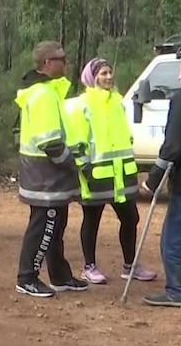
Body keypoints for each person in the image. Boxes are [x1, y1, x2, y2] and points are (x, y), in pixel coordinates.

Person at [65, 58, 156, 285]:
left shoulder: (118, 102)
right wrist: (83, 167)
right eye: (103, 73)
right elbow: (76, 139)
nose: (108, 77)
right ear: (91, 77)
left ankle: (130, 266)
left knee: (131, 217)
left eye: (109, 72)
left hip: (121, 175)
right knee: (92, 219)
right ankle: (89, 267)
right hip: (95, 174)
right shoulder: (82, 104)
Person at [14, 41, 88, 298]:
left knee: (56, 226)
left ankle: (60, 275)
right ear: (47, 63)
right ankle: (27, 278)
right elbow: (50, 142)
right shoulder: (42, 94)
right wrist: (72, 163)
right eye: (61, 58)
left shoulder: (48, 92)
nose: (65, 63)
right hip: (45, 176)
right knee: (44, 227)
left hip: (50, 176)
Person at [142, 49, 181, 308]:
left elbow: (173, 145)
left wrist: (153, 180)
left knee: (173, 239)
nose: (180, 75)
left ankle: (176, 291)